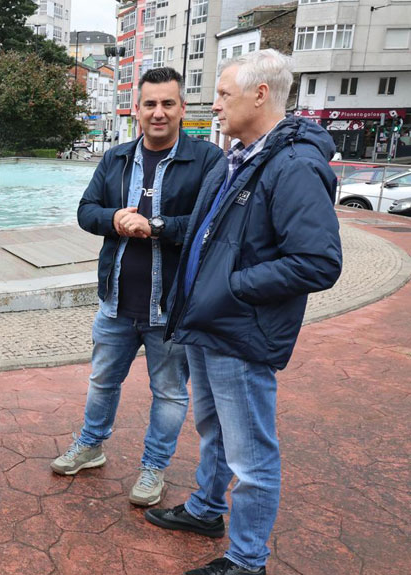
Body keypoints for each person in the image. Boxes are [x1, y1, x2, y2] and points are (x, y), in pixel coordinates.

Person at [147, 50, 342, 575]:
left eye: (223, 94)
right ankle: (208, 510)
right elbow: (214, 234)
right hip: (208, 325)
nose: (213, 106)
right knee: (215, 432)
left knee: (251, 455)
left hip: (239, 331)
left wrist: (231, 287)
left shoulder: (295, 165)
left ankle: (247, 558)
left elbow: (318, 262)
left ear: (260, 94)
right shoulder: (239, 156)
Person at [52, 67, 224, 507]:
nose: (159, 112)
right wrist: (114, 219)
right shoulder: (116, 158)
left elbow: (211, 225)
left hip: (170, 307)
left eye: (168, 103)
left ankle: (153, 469)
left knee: (168, 392)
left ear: (183, 108)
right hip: (115, 302)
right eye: (150, 103)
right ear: (136, 109)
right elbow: (86, 211)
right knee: (102, 382)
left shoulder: (207, 160)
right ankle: (90, 445)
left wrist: (157, 226)